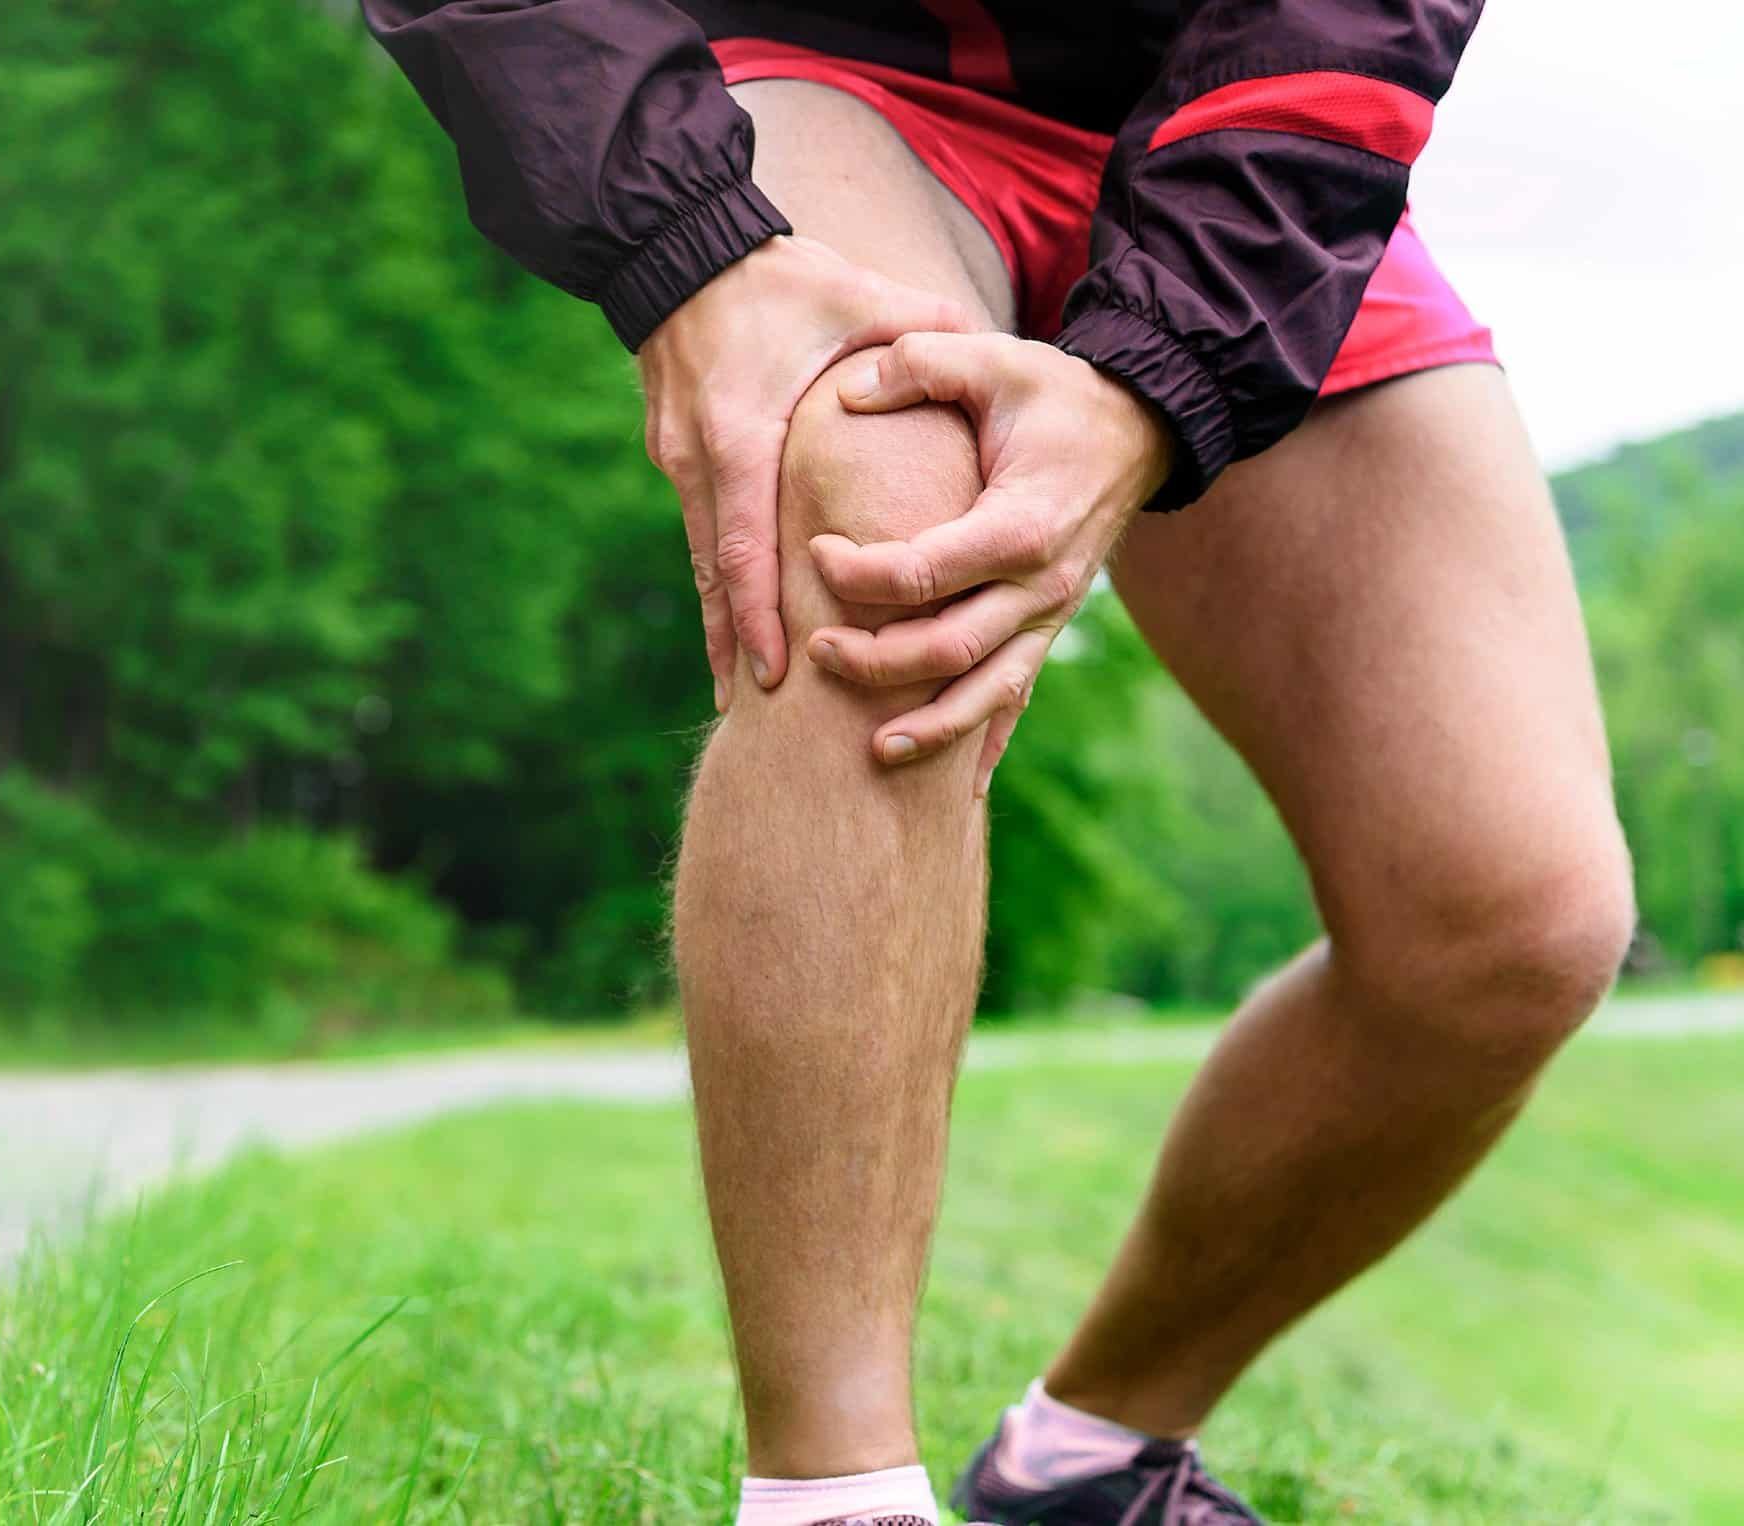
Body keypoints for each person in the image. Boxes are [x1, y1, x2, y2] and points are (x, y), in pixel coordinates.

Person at [361, 3, 1636, 1522]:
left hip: (1214, 123)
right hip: (811, 52)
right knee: (883, 497)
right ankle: (837, 1497)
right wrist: (680, 231)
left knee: (1511, 912)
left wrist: (1161, 365)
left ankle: (1089, 1456)